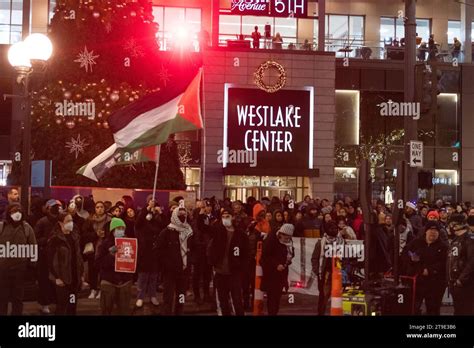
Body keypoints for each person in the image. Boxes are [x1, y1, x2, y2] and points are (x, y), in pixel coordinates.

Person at [208, 208, 249, 316]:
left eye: (227, 216)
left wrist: (242, 269)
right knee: (223, 301)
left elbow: (246, 254)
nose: (225, 219)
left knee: (237, 301)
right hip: (220, 272)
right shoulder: (218, 231)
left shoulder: (241, 234)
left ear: (232, 217)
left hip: (234, 272)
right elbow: (203, 228)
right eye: (223, 217)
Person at [403, 221, 448, 315]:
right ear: (426, 231)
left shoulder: (443, 246)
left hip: (435, 283)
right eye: (431, 229)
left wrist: (430, 270)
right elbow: (405, 255)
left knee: (433, 310)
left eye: (436, 230)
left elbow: (444, 263)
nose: (433, 232)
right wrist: (414, 264)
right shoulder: (416, 242)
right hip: (417, 281)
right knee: (412, 308)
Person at [0, 203, 37, 315]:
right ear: (9, 213)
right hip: (3, 269)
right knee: (2, 298)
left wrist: (32, 265)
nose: (17, 214)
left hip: (20, 270)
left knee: (18, 298)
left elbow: (33, 246)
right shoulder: (2, 226)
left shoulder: (27, 228)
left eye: (19, 211)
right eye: (14, 211)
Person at [157, 207, 194, 315]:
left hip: (183, 271)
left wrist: (189, 261)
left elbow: (194, 248)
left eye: (184, 215)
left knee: (181, 297)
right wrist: (166, 264)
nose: (182, 217)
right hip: (170, 271)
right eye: (180, 215)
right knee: (168, 297)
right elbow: (158, 250)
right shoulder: (166, 232)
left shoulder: (189, 231)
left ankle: (179, 312)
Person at [47, 213, 84, 315]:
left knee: (72, 305)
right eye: (67, 221)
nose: (70, 223)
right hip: (62, 280)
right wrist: (56, 277)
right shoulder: (55, 239)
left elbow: (78, 257)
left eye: (71, 220)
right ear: (60, 223)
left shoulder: (74, 237)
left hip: (74, 279)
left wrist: (81, 275)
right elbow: (50, 260)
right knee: (62, 306)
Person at [96, 218, 133, 315]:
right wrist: (110, 255)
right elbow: (98, 263)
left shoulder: (130, 243)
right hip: (109, 281)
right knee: (107, 310)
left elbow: (134, 262)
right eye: (118, 228)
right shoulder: (104, 244)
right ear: (113, 230)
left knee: (124, 310)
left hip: (125, 281)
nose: (121, 230)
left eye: (122, 228)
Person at [34, 199, 62, 314]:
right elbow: (35, 238)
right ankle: (44, 304)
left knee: (57, 281)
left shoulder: (61, 221)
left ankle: (57, 302)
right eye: (53, 207)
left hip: (58, 255)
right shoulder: (42, 222)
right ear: (47, 209)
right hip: (45, 256)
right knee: (44, 281)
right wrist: (47, 240)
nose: (56, 209)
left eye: (58, 207)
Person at [261, 224, 295, 315]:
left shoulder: (289, 242)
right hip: (271, 273)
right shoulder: (271, 240)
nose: (286, 239)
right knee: (272, 297)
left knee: (277, 296)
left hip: (282, 272)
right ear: (281, 234)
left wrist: (288, 260)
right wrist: (276, 264)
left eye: (289, 237)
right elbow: (265, 256)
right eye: (285, 237)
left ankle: (274, 312)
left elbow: (292, 252)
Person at [135, 198, 163, 308]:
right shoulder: (143, 216)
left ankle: (153, 296)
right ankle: (140, 297)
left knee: (153, 276)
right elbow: (137, 224)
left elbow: (164, 226)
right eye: (151, 201)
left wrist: (159, 213)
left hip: (155, 251)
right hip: (144, 250)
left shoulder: (157, 219)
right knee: (143, 276)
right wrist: (146, 210)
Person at [82, 201, 111, 300]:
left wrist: (105, 235)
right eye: (97, 207)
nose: (99, 209)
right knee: (92, 270)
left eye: (101, 207)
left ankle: (101, 290)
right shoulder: (89, 220)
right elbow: (84, 235)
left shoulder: (109, 220)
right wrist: (96, 235)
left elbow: (112, 234)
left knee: (103, 270)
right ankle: (93, 289)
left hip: (105, 249)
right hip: (92, 249)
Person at [312, 221, 341, 315]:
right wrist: (317, 271)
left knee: (339, 296)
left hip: (338, 273)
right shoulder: (320, 243)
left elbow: (345, 257)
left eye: (336, 228)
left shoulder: (341, 241)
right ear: (327, 230)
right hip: (325, 273)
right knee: (323, 296)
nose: (334, 230)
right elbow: (314, 258)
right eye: (332, 228)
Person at [447, 213, 474, 315]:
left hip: (465, 284)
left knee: (465, 310)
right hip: (454, 282)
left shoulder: (469, 240)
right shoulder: (455, 240)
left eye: (451, 224)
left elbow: (472, 262)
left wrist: (461, 279)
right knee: (458, 310)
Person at [193, 200, 215, 304]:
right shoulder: (196, 217)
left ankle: (206, 294)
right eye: (203, 207)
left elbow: (209, 230)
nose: (205, 209)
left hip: (208, 249)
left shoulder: (210, 218)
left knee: (207, 273)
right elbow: (199, 227)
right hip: (198, 249)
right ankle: (197, 295)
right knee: (197, 274)